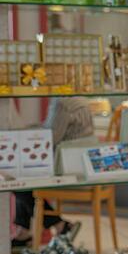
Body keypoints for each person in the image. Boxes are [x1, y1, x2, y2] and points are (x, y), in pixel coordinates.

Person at [11, 97, 92, 246]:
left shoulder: (62, 103)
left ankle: (58, 224)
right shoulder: (80, 99)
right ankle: (25, 230)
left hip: (65, 168)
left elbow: (50, 138)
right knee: (21, 177)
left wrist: (25, 133)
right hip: (81, 165)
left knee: (17, 179)